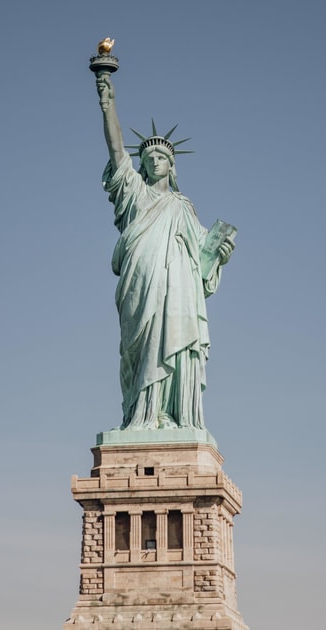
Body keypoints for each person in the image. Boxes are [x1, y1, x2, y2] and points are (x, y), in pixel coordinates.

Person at [95, 72, 235, 430]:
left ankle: (173, 414)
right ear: (140, 164)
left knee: (175, 342)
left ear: (173, 167)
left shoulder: (183, 207)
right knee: (141, 348)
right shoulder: (134, 194)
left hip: (179, 291)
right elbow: (116, 150)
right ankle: (141, 415)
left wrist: (220, 250)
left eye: (162, 156)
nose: (155, 160)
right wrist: (107, 105)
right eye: (149, 156)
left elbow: (204, 257)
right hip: (141, 285)